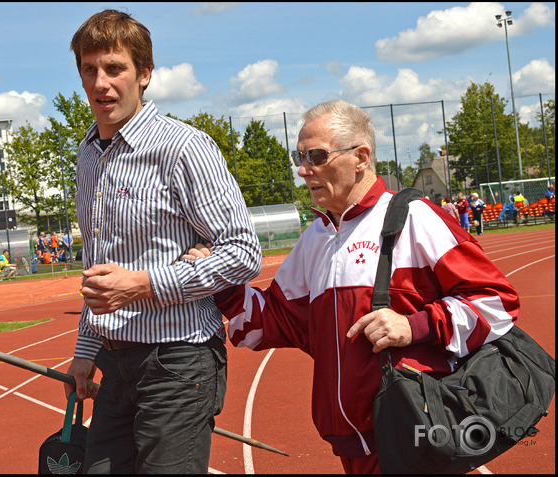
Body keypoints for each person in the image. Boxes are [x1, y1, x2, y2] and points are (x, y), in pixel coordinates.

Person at [184, 100, 519, 474]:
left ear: (361, 156)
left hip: (411, 428)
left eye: (316, 155)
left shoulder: (416, 218)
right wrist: (216, 279)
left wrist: (414, 325)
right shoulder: (316, 237)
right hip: (350, 438)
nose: (302, 169)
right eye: (299, 156)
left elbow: (496, 302)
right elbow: (276, 319)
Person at [66, 9, 262, 474]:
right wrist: (85, 352)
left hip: (177, 362)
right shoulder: (88, 152)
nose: (101, 83)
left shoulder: (182, 147)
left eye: (115, 68)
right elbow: (100, 267)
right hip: (114, 367)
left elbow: (242, 253)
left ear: (145, 74)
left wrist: (144, 284)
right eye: (89, 69)